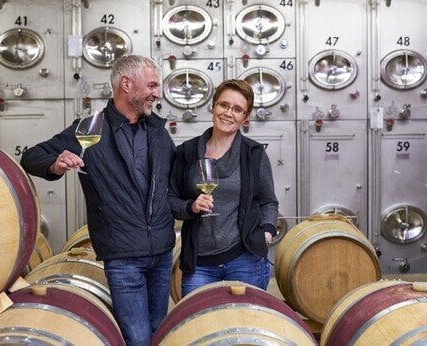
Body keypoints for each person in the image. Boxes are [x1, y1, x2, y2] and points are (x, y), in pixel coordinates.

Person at [20, 54, 176, 345]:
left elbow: (173, 181)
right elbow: (31, 156)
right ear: (127, 85)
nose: (157, 93)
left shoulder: (156, 131)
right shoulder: (90, 129)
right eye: (153, 85)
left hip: (162, 253)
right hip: (122, 255)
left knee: (158, 332)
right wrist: (56, 163)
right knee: (137, 338)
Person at [168, 79, 279, 297]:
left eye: (238, 109)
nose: (229, 113)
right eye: (224, 105)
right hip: (199, 263)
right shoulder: (187, 152)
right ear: (213, 106)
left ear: (245, 118)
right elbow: (171, 198)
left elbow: (268, 200)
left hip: (244, 259)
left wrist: (267, 230)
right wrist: (191, 206)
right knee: (199, 322)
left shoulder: (253, 153)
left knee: (246, 323)